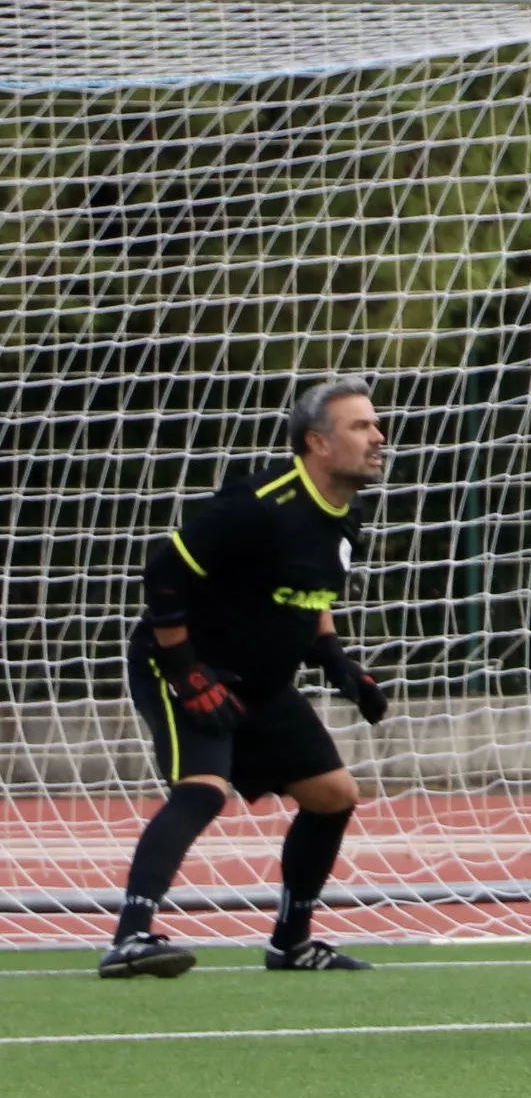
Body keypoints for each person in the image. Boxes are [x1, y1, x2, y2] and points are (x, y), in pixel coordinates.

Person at [104, 379, 393, 977]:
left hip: (262, 680)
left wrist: (337, 659)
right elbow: (163, 574)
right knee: (205, 788)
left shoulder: (343, 513)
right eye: (360, 426)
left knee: (333, 796)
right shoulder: (259, 504)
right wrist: (187, 672)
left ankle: (290, 943)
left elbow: (309, 594)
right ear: (317, 441)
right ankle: (130, 939)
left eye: (375, 424)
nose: (378, 437)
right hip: (186, 665)